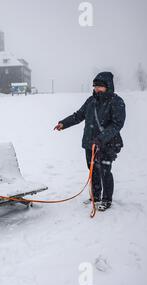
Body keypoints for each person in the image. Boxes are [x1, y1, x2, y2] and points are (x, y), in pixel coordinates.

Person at [54, 72, 126, 211]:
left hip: (107, 144)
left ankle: (106, 200)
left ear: (108, 86)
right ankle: (96, 196)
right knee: (93, 171)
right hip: (89, 143)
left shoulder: (116, 102)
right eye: (95, 86)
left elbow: (117, 124)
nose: (97, 89)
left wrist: (101, 138)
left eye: (100, 86)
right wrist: (64, 123)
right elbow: (78, 116)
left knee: (105, 171)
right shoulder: (91, 101)